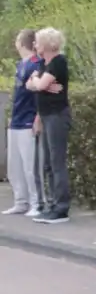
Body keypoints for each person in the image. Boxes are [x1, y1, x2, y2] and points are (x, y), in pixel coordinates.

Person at [25, 28, 71, 225]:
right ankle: (51, 204)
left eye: (37, 42)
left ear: (47, 44)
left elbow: (40, 84)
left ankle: (61, 207)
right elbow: (29, 83)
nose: (35, 46)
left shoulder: (58, 62)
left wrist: (39, 83)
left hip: (57, 116)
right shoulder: (44, 64)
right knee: (48, 163)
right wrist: (39, 83)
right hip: (45, 115)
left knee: (57, 161)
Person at [4, 29, 45, 217]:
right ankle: (21, 200)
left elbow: (40, 94)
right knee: (15, 165)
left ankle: (37, 202)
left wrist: (38, 117)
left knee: (31, 166)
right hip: (17, 120)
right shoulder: (21, 64)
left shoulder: (37, 64)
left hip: (28, 120)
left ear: (22, 42)